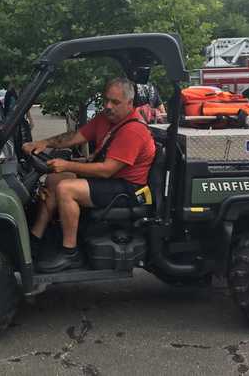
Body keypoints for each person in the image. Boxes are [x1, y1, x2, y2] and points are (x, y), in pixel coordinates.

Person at [23, 77, 155, 273]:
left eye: (115, 102)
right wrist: (43, 143)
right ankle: (35, 238)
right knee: (53, 179)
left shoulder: (134, 131)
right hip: (110, 179)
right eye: (106, 100)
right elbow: (74, 137)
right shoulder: (106, 119)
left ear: (129, 103)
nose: (108, 106)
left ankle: (70, 252)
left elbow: (106, 169)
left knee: (66, 189)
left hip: (127, 188)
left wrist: (67, 165)